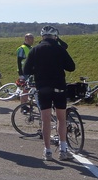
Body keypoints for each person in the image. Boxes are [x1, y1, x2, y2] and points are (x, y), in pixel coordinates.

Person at [23, 26, 76, 161]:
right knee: (61, 118)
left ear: (42, 37)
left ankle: (47, 151)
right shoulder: (59, 49)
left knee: (45, 119)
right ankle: (63, 149)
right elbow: (71, 67)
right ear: (55, 36)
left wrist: (37, 69)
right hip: (59, 87)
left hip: (43, 88)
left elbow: (26, 69)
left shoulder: (35, 50)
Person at [16, 33, 34, 103]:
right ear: (26, 38)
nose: (33, 40)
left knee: (29, 89)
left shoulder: (31, 48)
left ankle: (29, 103)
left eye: (33, 38)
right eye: (31, 38)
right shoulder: (22, 48)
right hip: (24, 72)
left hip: (31, 71)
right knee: (25, 90)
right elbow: (19, 61)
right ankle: (23, 106)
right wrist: (20, 74)